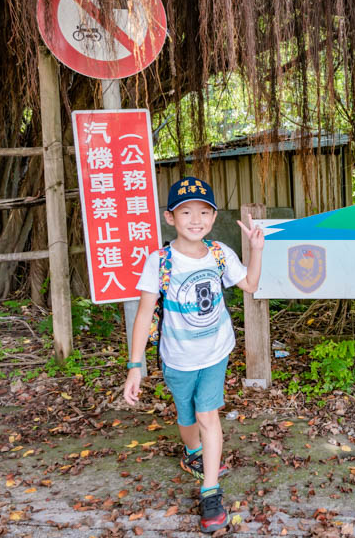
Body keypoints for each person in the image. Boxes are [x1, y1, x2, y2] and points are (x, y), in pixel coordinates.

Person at [123, 177, 264, 533]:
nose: (195, 219)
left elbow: (249, 285)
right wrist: (135, 366)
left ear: (213, 217)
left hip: (216, 353)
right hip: (177, 359)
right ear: (170, 217)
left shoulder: (219, 254)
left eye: (203, 211)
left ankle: (211, 492)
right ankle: (192, 455)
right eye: (185, 212)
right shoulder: (160, 261)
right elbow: (143, 315)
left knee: (207, 416)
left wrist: (257, 250)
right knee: (186, 416)